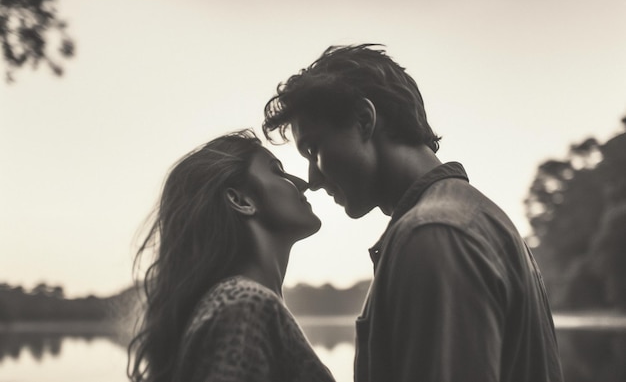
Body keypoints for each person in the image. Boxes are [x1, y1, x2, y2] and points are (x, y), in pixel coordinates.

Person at [262, 44, 564, 382]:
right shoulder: (469, 218)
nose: (313, 180)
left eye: (314, 149)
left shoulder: (435, 234)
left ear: (364, 120)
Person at [127, 130, 335, 382]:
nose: (302, 182)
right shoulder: (245, 304)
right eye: (277, 171)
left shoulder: (238, 303)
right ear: (241, 200)